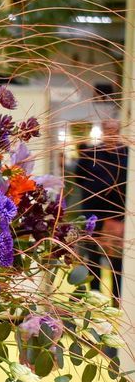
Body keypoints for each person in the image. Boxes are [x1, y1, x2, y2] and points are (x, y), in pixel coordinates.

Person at [75, 119, 128, 301]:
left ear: (119, 130)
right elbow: (79, 179)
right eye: (107, 129)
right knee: (93, 255)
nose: (111, 132)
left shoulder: (127, 154)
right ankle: (95, 295)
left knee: (117, 259)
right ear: (103, 131)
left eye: (114, 129)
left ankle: (117, 298)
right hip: (93, 213)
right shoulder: (91, 154)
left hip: (117, 215)